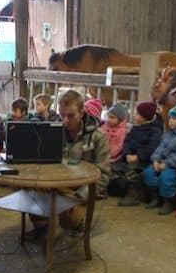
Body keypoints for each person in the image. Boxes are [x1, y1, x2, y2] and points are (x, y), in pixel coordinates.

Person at [27, 90, 111, 239]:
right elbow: (45, 162)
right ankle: (42, 227)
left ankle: (78, 221)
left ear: (82, 112)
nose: (65, 120)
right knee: (32, 190)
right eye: (62, 115)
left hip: (81, 188)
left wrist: (80, 196)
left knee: (69, 219)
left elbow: (103, 174)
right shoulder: (54, 131)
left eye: (71, 115)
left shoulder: (98, 136)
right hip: (57, 184)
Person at [143, 103, 176, 215]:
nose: (171, 121)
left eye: (175, 119)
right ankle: (157, 198)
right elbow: (160, 148)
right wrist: (156, 160)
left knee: (167, 177)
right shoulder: (168, 134)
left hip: (174, 165)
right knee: (149, 172)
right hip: (161, 162)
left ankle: (168, 201)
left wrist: (167, 164)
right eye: (170, 118)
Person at [116, 101, 163, 206]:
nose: (134, 115)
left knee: (133, 170)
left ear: (145, 116)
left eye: (137, 114)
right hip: (130, 157)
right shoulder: (136, 127)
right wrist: (127, 153)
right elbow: (127, 141)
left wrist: (137, 156)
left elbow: (152, 148)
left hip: (144, 160)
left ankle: (133, 196)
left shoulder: (155, 130)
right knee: (116, 167)